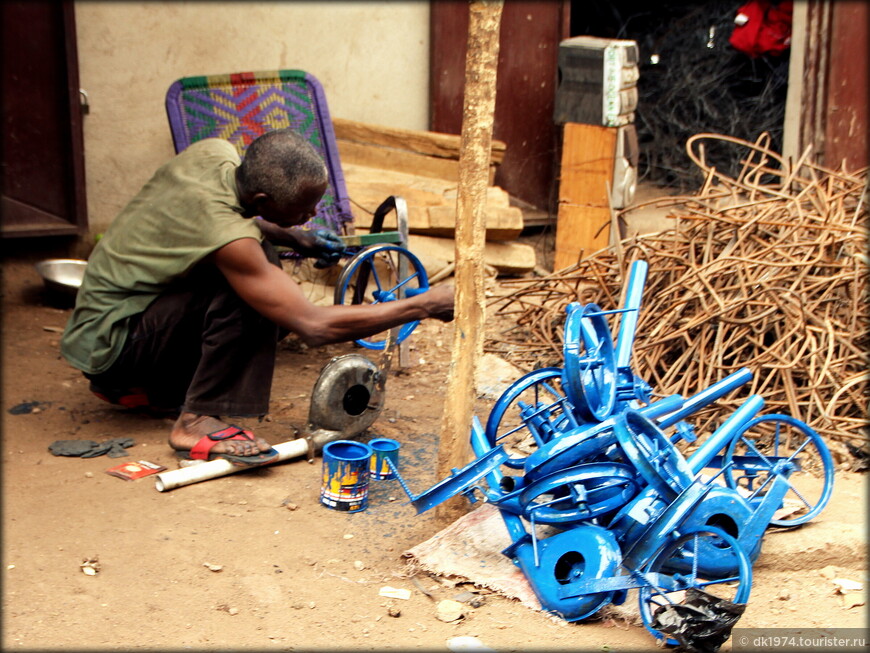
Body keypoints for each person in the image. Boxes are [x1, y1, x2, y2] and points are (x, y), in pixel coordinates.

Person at [60, 129, 454, 467]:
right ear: (263, 200)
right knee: (253, 299)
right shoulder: (232, 238)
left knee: (260, 269)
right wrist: (425, 305)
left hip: (115, 321)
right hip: (113, 348)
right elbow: (312, 326)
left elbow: (218, 216)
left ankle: (163, 392)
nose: (313, 212)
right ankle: (193, 421)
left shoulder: (214, 153)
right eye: (303, 208)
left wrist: (295, 235)